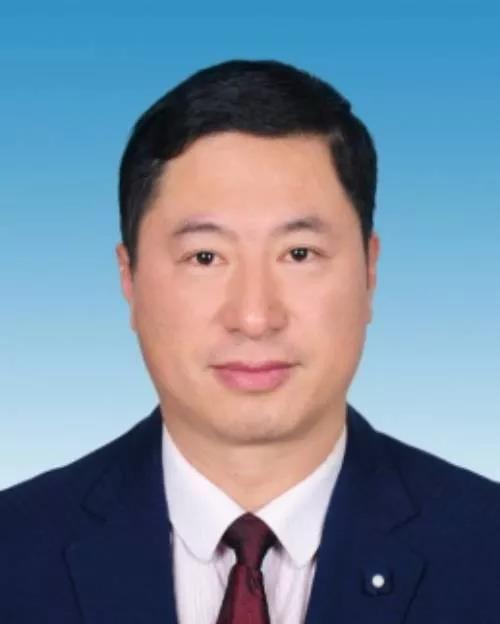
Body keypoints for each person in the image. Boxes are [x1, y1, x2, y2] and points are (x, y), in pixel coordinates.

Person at [1, 58, 499, 624]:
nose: (255, 317)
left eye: (299, 254)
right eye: (205, 257)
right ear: (129, 279)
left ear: (369, 271)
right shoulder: (14, 553)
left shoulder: (486, 550)